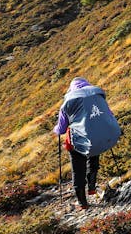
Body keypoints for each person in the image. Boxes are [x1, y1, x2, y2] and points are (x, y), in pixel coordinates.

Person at [52, 77, 122, 209]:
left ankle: (82, 202)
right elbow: (108, 114)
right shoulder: (97, 96)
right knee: (93, 156)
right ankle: (91, 187)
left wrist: (55, 129)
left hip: (76, 142)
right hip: (96, 136)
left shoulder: (68, 101)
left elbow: (61, 129)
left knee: (78, 170)